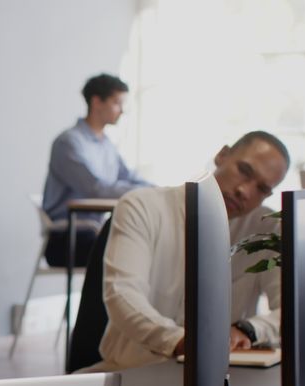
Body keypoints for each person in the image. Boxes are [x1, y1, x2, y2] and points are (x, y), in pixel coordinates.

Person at [93, 131, 290, 372]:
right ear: (222, 155)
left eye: (261, 188)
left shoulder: (265, 229)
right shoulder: (143, 206)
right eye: (244, 171)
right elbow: (122, 294)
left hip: (223, 376)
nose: (244, 191)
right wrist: (178, 340)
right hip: (131, 371)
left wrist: (249, 329)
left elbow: (291, 311)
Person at [41, 73, 149, 267]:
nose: (122, 111)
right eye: (117, 103)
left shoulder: (107, 145)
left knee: (143, 243)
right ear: (97, 102)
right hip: (68, 237)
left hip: (95, 232)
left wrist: (159, 191)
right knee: (128, 250)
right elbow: (96, 189)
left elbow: (130, 177)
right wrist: (144, 192)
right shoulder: (68, 143)